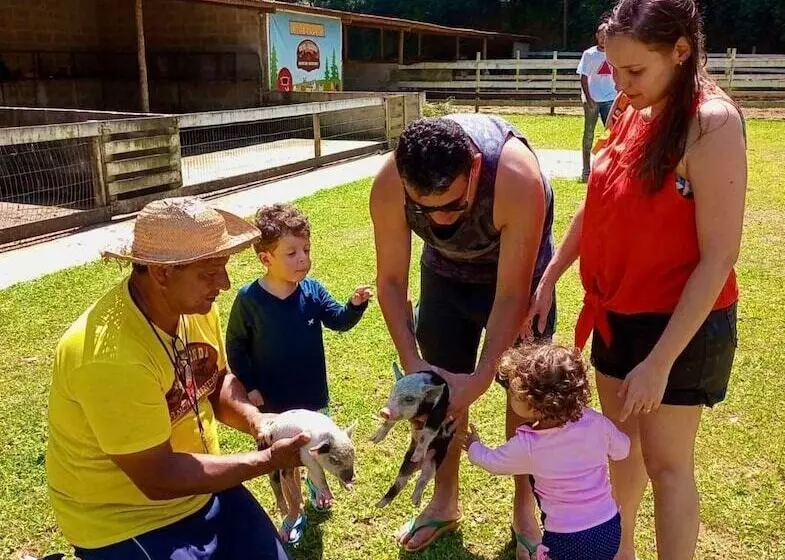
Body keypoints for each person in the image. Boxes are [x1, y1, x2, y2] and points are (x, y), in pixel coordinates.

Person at [528, 1, 747, 558]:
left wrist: (660, 361)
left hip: (680, 324)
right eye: (614, 70)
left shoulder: (711, 123)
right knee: (622, 452)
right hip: (617, 313)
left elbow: (719, 257)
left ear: (681, 52)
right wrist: (552, 274)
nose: (621, 86)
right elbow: (598, 203)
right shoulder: (631, 108)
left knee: (668, 465)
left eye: (634, 70)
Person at [46, 197, 308, 560]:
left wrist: (258, 421)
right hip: (126, 521)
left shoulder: (196, 306)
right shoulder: (109, 357)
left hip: (202, 486)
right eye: (209, 273)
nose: (225, 283)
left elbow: (215, 380)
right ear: (162, 273)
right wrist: (267, 460)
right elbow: (158, 477)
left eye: (223, 268)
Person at [370, 114, 556, 558]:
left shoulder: (516, 177)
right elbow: (391, 282)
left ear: (473, 168)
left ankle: (525, 508)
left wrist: (481, 378)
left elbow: (511, 295)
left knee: (525, 395)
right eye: (424, 209)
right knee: (439, 393)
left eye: (453, 205)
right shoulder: (390, 181)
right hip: (445, 276)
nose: (439, 219)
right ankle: (444, 500)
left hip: (515, 277)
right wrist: (415, 366)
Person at [225, 202, 372, 543]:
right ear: (266, 258)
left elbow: (338, 321)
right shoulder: (249, 300)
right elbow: (236, 347)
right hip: (273, 406)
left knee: (316, 453)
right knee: (284, 465)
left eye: (306, 250)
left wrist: (354, 306)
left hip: (313, 399)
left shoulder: (313, 291)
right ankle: (293, 510)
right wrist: (251, 386)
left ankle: (316, 487)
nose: (303, 259)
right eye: (291, 253)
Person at [463, 342, 630, 560]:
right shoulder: (596, 423)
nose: (511, 394)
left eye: (514, 392)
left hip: (566, 538)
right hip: (608, 528)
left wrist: (474, 446)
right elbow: (623, 449)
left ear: (534, 404)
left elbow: (492, 462)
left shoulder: (529, 445)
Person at [577, 21, 618, 182]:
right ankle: (586, 170)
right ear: (596, 36)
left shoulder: (615, 53)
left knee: (612, 133)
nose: (603, 39)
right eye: (601, 36)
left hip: (610, 99)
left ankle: (610, 168)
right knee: (588, 134)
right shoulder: (589, 54)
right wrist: (588, 99)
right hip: (593, 100)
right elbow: (583, 77)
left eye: (606, 36)